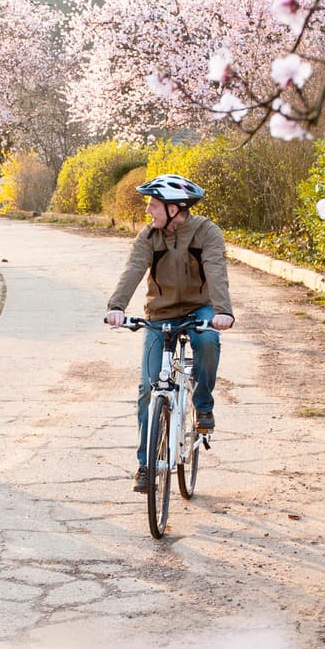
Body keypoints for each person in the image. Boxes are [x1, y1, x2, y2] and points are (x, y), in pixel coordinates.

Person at [104, 173, 235, 493]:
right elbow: (133, 269)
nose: (148, 210)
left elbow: (216, 270)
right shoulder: (148, 237)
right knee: (149, 388)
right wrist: (116, 306)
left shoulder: (206, 232)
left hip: (199, 309)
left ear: (175, 207)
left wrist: (222, 312)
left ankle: (203, 406)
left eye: (153, 204)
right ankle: (146, 465)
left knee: (207, 341)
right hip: (160, 313)